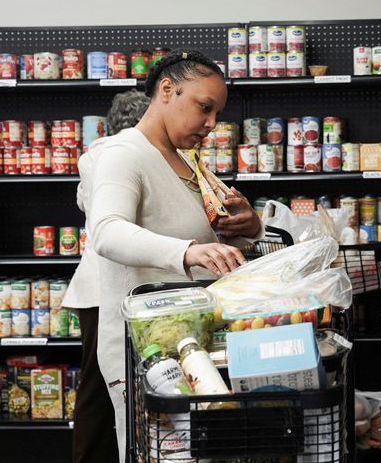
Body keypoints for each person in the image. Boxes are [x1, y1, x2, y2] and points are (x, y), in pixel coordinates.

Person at [88, 49, 263, 462]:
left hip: (190, 342)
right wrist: (187, 251)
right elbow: (106, 231)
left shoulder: (188, 161)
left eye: (216, 112)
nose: (212, 124)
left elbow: (215, 236)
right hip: (147, 353)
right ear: (167, 90)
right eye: (204, 108)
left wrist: (248, 227)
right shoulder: (125, 153)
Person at [62, 90, 150, 463]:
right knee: (100, 387)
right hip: (103, 290)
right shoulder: (110, 157)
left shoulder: (97, 156)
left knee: (109, 386)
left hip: (109, 289)